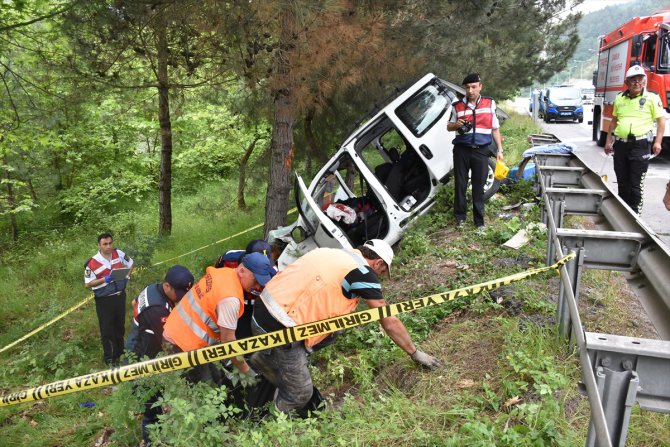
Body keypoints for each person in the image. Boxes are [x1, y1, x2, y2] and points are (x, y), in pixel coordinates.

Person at [250, 239, 441, 414]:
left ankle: (264, 358)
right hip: (283, 328)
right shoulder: (362, 271)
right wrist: (414, 353)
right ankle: (273, 427)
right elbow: (388, 319)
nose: (380, 277)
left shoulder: (331, 253)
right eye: (382, 273)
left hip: (261, 313)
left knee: (335, 329)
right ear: (378, 263)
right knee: (300, 393)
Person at [162, 252, 276, 383]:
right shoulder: (230, 299)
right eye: (255, 280)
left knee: (216, 378)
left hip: (175, 331)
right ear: (242, 271)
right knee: (205, 390)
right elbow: (229, 343)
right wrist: (246, 371)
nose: (257, 287)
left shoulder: (223, 273)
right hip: (183, 345)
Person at [126, 265, 194, 447]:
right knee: (152, 405)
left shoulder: (152, 288)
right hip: (141, 357)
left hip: (140, 340)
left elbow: (134, 303)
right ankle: (152, 442)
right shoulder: (157, 309)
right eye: (178, 293)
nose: (180, 298)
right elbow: (167, 342)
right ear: (166, 286)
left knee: (155, 399)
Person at [604, 65, 666, 214]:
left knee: (635, 183)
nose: (637, 82)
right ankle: (622, 213)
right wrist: (608, 140)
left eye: (640, 79)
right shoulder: (620, 98)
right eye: (633, 79)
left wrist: (658, 142)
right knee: (622, 181)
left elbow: (661, 121)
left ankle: (635, 215)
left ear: (644, 81)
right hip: (620, 145)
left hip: (640, 145)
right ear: (627, 82)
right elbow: (614, 121)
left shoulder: (652, 97)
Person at [447, 73, 504, 231]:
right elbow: (448, 126)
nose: (470, 91)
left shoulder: (489, 103)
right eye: (467, 88)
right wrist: (457, 124)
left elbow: (495, 129)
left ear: (480, 86)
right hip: (461, 151)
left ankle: (479, 222)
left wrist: (499, 150)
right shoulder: (457, 106)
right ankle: (460, 218)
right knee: (461, 184)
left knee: (479, 186)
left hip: (481, 151)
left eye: (473, 87)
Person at [84, 233, 134, 366]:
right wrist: (104, 279)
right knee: (107, 330)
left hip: (119, 296)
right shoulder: (92, 263)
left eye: (110, 243)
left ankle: (120, 352)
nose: (108, 246)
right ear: (99, 245)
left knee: (119, 326)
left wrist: (127, 277)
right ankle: (110, 359)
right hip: (104, 300)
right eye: (105, 244)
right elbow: (88, 284)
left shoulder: (118, 253)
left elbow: (131, 263)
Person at [214, 239, 276, 340]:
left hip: (252, 306)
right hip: (228, 301)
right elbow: (216, 278)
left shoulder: (273, 273)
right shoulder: (228, 259)